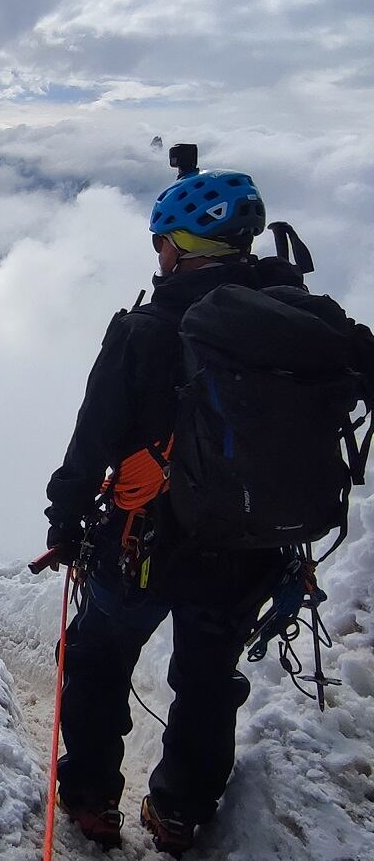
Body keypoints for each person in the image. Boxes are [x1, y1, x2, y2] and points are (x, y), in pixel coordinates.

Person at [43, 164, 354, 855]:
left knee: (97, 659)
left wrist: (65, 520)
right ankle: (180, 810)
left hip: (144, 545)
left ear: (180, 247)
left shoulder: (144, 331)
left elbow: (90, 442)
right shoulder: (291, 328)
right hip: (250, 547)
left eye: (162, 242)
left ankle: (92, 799)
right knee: (208, 680)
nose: (158, 254)